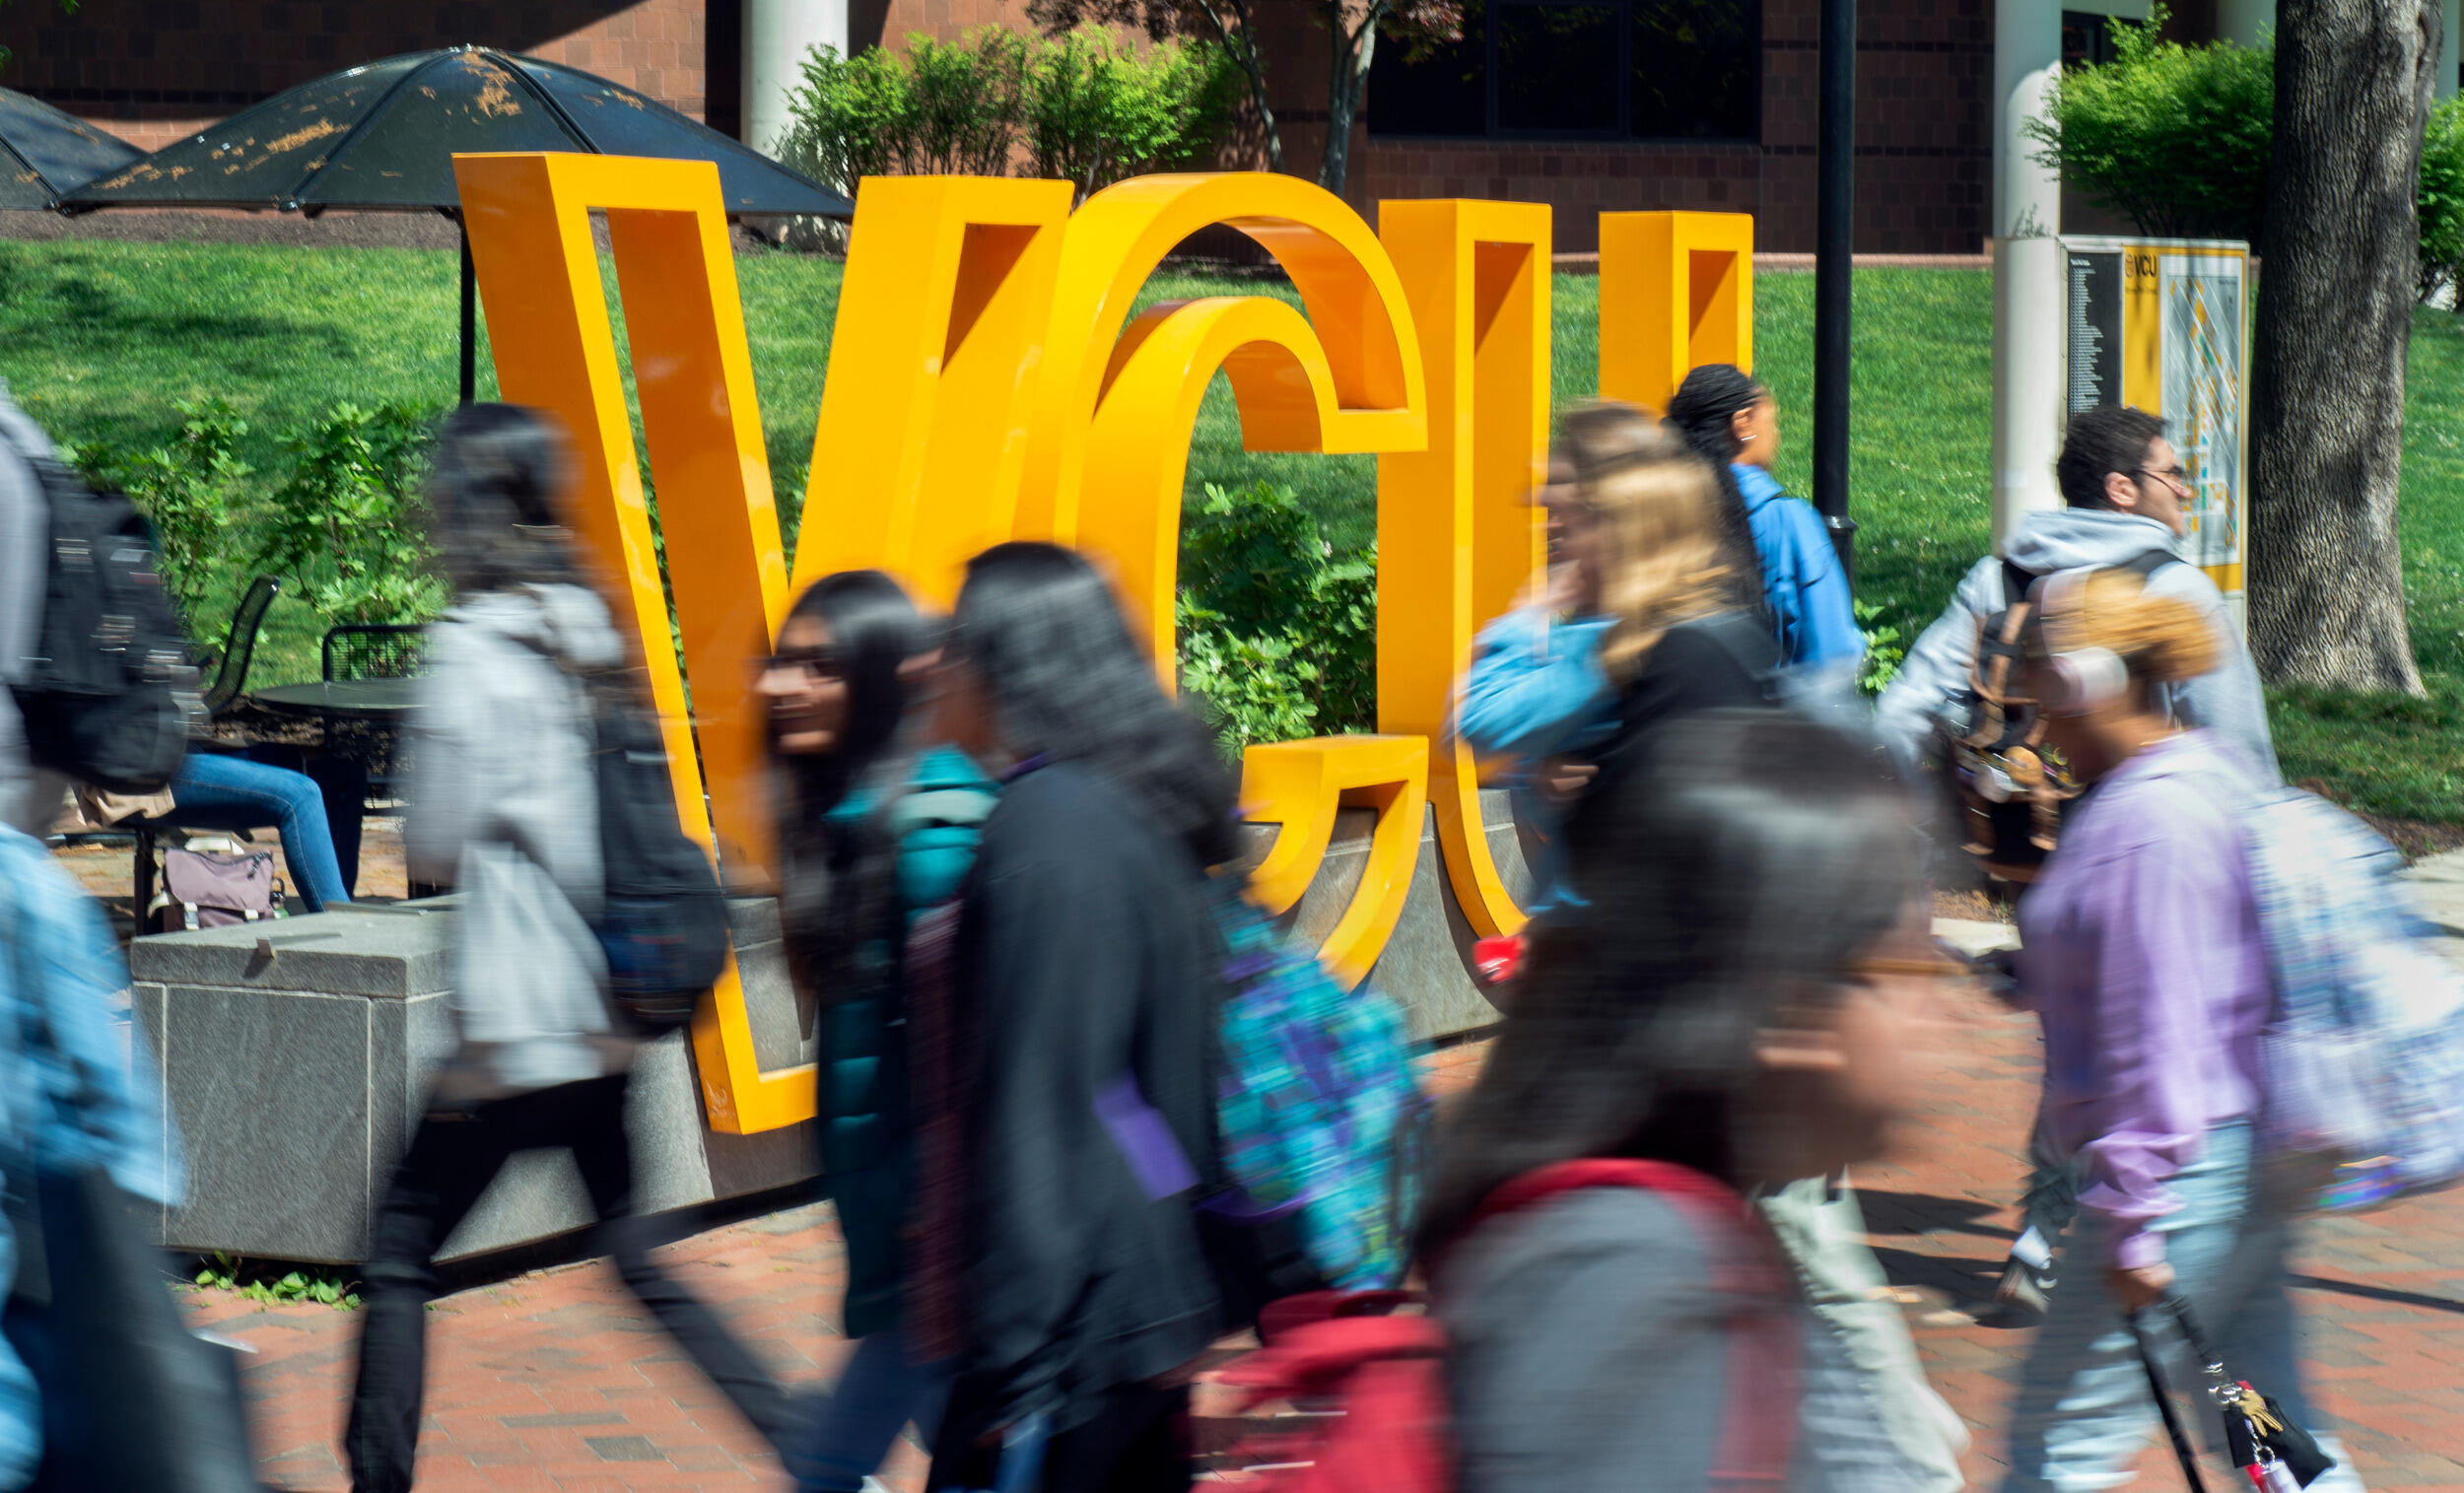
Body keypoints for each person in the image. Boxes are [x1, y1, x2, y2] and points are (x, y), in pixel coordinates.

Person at [342, 404, 790, 1492]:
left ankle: (377, 1480)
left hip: (516, 1032)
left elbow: (437, 832)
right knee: (636, 1258)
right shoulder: (587, 626)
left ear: (460, 507)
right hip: (607, 1016)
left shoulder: (474, 649)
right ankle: (813, 1445)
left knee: (398, 1253)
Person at [1422, 710, 1957, 1492]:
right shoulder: (1630, 1292)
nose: (1945, 1003)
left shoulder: (1682, 1241)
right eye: (1907, 964)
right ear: (1790, 1005)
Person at [2000, 568, 2358, 1493]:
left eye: (2038, 681)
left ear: (2083, 679)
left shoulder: (2145, 821)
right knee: (2265, 1420)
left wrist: (2130, 1224)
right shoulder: (2203, 776)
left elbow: (2157, 1032)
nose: (2033, 713)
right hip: (2244, 1166)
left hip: (2176, 1182)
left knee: (2055, 1441)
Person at [920, 541, 1234, 1493]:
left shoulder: (1045, 831)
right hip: (1146, 1296)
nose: (935, 667)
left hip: (1077, 1329)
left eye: (952, 641)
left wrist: (1014, 1357)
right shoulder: (1131, 805)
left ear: (1002, 662)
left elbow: (1046, 1101)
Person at [760, 571, 996, 1493]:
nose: (782, 686)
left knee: (836, 1470)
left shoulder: (930, 826)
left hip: (937, 1240)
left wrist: (925, 1199)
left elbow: (981, 1038)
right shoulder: (854, 823)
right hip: (914, 1240)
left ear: (883, 678)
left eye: (820, 664)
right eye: (780, 660)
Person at [1458, 405, 1779, 912]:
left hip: (1602, 930)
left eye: (1564, 513)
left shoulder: (1617, 646)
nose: (1548, 525)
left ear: (1618, 524)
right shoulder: (1708, 625)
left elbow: (1481, 718)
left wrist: (1527, 615)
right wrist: (1544, 773)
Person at [1874, 403, 2278, 787]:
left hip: (2007, 846)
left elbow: (1902, 714)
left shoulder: (1996, 579)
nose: (2184, 491)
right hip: (2135, 842)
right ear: (2121, 489)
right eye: (2173, 475)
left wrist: (1926, 826)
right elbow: (2238, 754)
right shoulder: (2178, 591)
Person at [1664, 364, 1863, 676]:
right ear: (1743, 423)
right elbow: (1832, 655)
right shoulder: (1788, 521)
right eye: (1774, 421)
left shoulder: (1659, 514)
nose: (1777, 435)